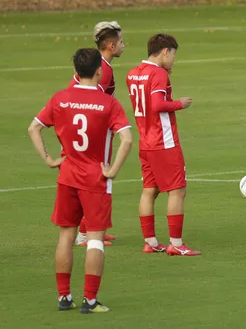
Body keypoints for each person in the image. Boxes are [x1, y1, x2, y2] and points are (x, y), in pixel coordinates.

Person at [28, 48, 132, 313]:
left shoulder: (60, 98)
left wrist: (50, 160)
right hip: (96, 180)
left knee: (66, 236)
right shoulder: (108, 103)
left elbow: (34, 128)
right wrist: (112, 170)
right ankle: (90, 300)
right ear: (99, 70)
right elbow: (127, 139)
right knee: (95, 239)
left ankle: (64, 298)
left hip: (67, 177)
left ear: (76, 72)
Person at [126, 34, 200, 256]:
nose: (174, 59)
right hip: (164, 141)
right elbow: (158, 105)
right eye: (173, 54)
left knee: (150, 190)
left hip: (145, 141)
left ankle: (150, 242)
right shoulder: (158, 74)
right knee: (177, 191)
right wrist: (180, 103)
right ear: (165, 51)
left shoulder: (133, 73)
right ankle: (176, 244)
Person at [71, 21, 125, 247]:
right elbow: (93, 101)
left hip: (86, 127)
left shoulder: (97, 64)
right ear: (111, 46)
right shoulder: (102, 71)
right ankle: (86, 233)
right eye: (121, 42)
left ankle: (94, 227)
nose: (124, 45)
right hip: (95, 131)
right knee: (100, 178)